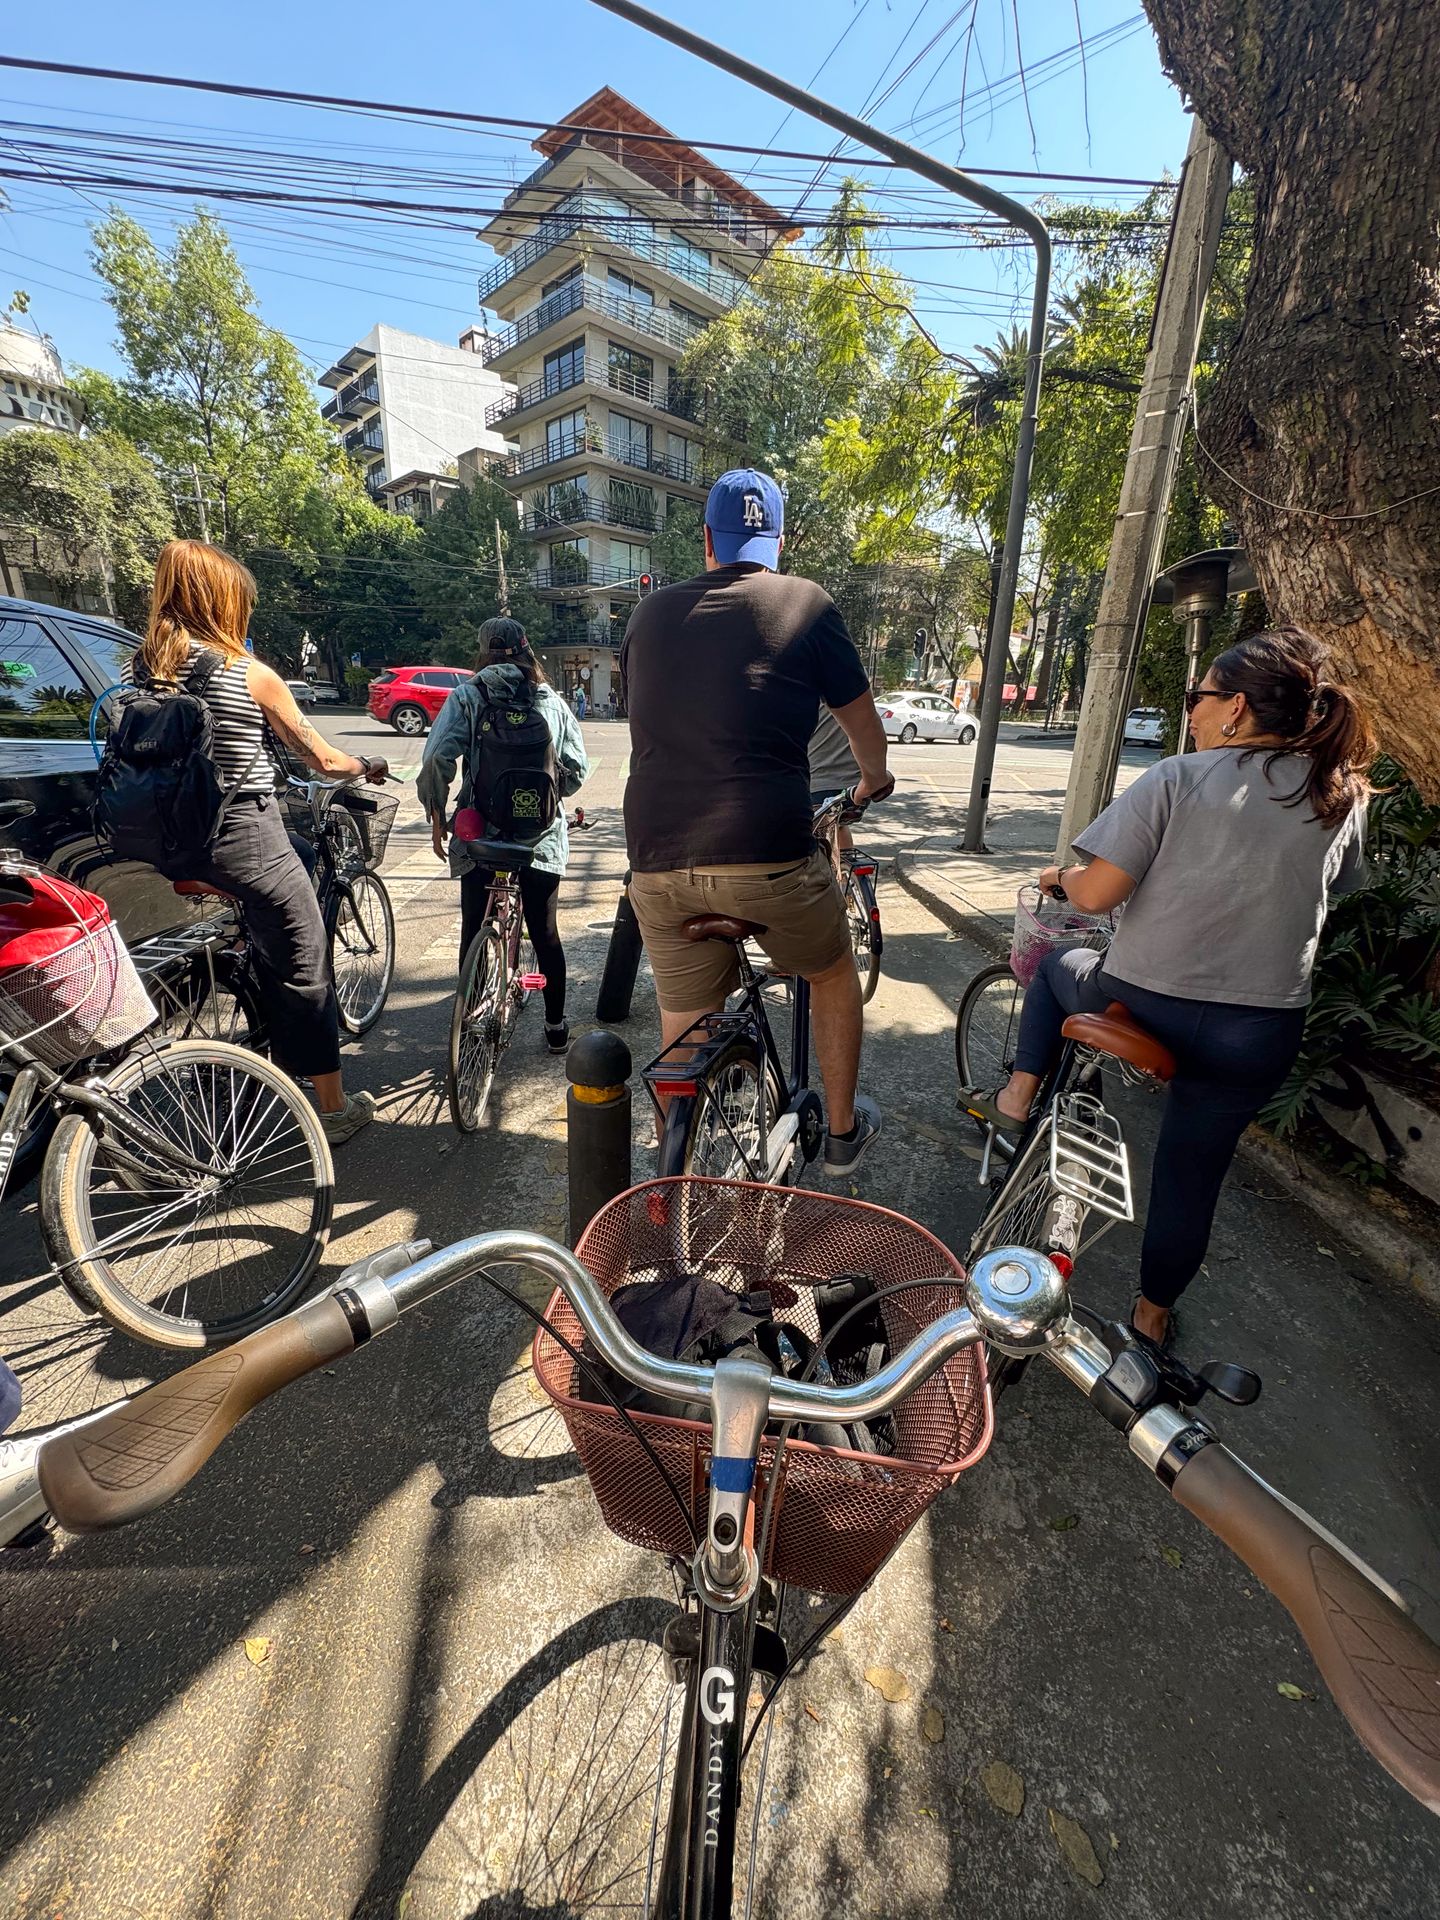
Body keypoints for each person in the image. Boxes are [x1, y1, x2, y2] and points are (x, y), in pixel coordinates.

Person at [966, 626, 1374, 1346]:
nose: (1192, 712)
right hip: (1258, 1029)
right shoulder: (1340, 793)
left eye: (1199, 698)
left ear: (1237, 708)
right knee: (1193, 1175)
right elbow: (1336, 882)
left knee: (1060, 969)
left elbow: (1095, 897)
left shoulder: (1176, 779)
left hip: (1145, 1000)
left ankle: (1016, 1095)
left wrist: (1059, 875)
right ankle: (1151, 1319)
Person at [621, 467, 891, 1177]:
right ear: (773, 541)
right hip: (766, 852)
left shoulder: (647, 615)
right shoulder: (806, 603)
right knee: (832, 972)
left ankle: (671, 1156)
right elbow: (864, 727)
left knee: (683, 1001)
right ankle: (839, 1136)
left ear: (707, 538)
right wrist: (873, 781)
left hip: (655, 857)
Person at [137, 539, 389, 1146]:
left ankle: (252, 997)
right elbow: (322, 759)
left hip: (164, 841)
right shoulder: (247, 673)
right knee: (308, 964)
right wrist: (366, 764)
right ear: (225, 604)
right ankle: (331, 1108)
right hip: (243, 836)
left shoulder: (142, 669)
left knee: (283, 882)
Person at [418, 618, 588, 1053]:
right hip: (540, 837)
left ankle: (469, 1019)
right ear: (527, 651)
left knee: (473, 926)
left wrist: (438, 816)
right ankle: (555, 1027)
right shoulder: (551, 700)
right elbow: (578, 769)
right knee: (545, 931)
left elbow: (438, 756)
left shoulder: (468, 696)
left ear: (481, 653)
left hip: (480, 831)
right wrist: (548, 797)